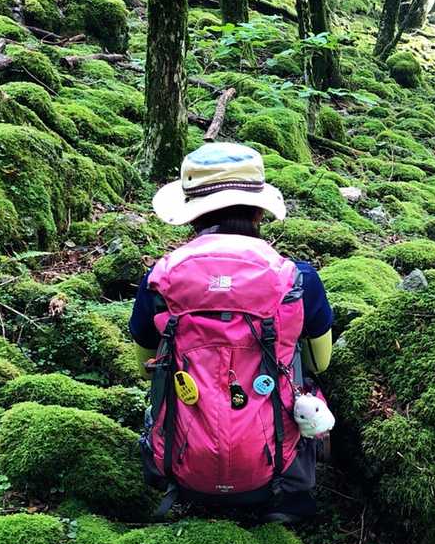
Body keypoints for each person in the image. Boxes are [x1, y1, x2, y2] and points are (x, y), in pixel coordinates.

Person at [130, 143, 335, 523]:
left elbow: (145, 365)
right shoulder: (298, 279)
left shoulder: (159, 279)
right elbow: (320, 362)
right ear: (259, 211)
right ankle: (285, 498)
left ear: (192, 214)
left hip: (181, 463)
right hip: (275, 469)